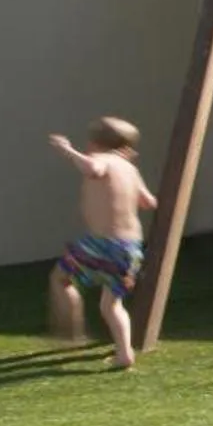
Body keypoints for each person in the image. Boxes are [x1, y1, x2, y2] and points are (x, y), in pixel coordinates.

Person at [47, 118, 157, 369]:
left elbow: (93, 170)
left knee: (61, 278)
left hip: (101, 244)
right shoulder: (130, 169)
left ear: (93, 144)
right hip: (130, 248)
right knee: (112, 304)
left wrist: (67, 150)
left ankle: (71, 329)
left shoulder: (102, 159)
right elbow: (148, 202)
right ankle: (124, 353)